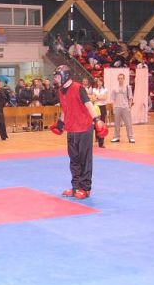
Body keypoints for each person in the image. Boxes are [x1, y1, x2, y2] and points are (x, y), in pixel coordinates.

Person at [50, 65, 108, 199]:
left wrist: (97, 120)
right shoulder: (60, 91)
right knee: (74, 160)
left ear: (65, 76)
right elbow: (65, 109)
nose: (56, 79)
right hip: (71, 129)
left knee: (85, 160)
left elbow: (89, 105)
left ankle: (85, 189)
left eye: (57, 76)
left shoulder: (78, 88)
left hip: (84, 128)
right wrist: (61, 123)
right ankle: (76, 187)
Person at [110, 73, 135, 143]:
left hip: (125, 107)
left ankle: (131, 137)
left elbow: (130, 98)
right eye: (119, 78)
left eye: (121, 78)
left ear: (124, 79)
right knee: (117, 124)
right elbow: (112, 99)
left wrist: (129, 107)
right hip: (117, 107)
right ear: (118, 79)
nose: (120, 79)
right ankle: (116, 137)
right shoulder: (114, 88)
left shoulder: (128, 87)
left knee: (128, 123)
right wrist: (113, 108)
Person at [92, 78, 108, 148]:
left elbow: (105, 97)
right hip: (96, 107)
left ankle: (101, 143)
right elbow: (93, 99)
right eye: (98, 82)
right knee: (95, 123)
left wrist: (97, 97)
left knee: (102, 125)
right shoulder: (94, 89)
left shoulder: (105, 89)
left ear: (102, 82)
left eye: (100, 82)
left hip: (102, 107)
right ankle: (97, 137)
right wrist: (100, 97)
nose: (99, 83)